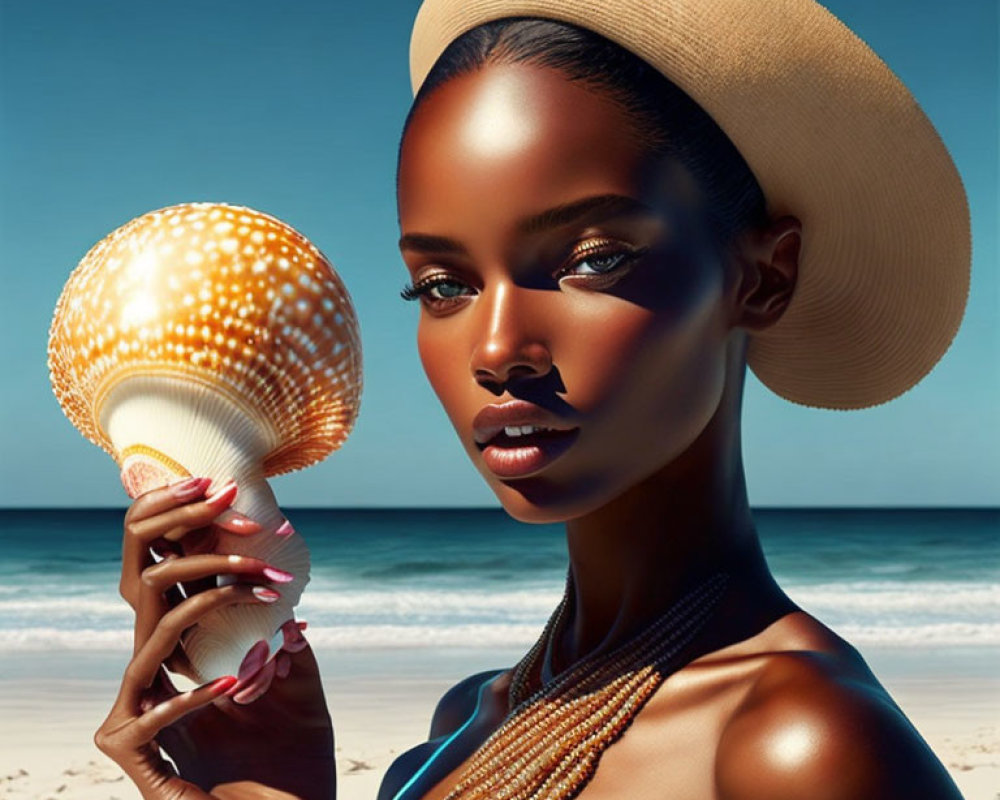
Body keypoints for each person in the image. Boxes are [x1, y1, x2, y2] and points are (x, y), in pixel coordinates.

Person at [92, 1, 971, 798]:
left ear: (763, 278)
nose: (499, 349)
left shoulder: (800, 748)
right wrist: (268, 781)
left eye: (592, 260)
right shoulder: (463, 724)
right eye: (442, 284)